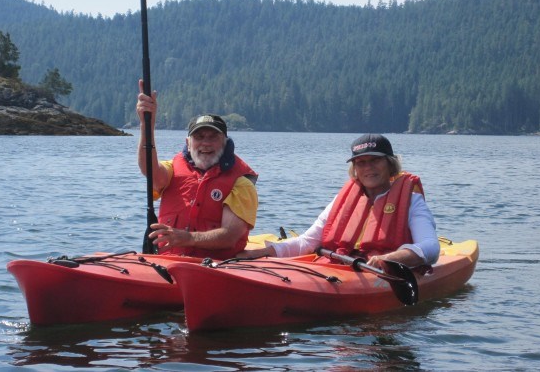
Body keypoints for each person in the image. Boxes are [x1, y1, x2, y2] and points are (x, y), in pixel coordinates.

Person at [238, 134, 439, 268]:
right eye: (361, 163)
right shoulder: (342, 200)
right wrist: (265, 252)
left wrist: (389, 259)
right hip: (338, 268)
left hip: (381, 271)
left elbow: (430, 247)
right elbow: (308, 242)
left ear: (390, 164)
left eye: (375, 160)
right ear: (355, 169)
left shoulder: (412, 201)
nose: (368, 168)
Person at [136, 79, 258, 258]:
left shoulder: (241, 182)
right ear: (188, 142)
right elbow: (150, 171)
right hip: (168, 263)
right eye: (199, 137)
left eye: (213, 137)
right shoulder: (173, 169)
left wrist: (188, 238)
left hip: (218, 269)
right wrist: (147, 123)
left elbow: (230, 237)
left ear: (225, 143)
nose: (206, 144)